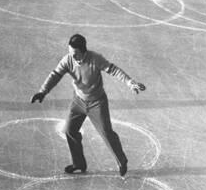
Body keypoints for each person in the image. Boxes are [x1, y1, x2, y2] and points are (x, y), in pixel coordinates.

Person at [31, 34, 146, 176]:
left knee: (106, 132)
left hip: (97, 102)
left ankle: (121, 160)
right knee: (69, 130)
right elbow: (55, 75)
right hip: (78, 101)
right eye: (70, 52)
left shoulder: (95, 58)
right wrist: (43, 91)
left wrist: (130, 82)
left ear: (83, 51)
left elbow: (114, 70)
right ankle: (79, 163)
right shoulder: (68, 60)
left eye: (75, 53)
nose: (72, 56)